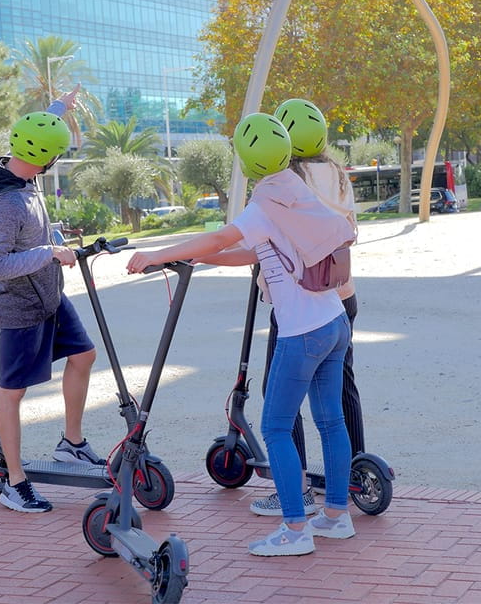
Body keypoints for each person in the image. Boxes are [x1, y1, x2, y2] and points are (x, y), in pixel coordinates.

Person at [126, 113, 355, 556]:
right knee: (331, 421)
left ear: (247, 162)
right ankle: (336, 516)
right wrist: (201, 259)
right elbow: (255, 251)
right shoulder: (295, 190)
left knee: (275, 428)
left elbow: (219, 238)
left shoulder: (264, 204)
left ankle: (295, 530)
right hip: (334, 321)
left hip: (301, 333)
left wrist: (157, 254)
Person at [0, 86, 104, 513]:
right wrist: (48, 252)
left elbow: (40, 131)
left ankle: (72, 444)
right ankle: (15, 482)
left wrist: (60, 106)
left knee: (83, 355)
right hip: (20, 307)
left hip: (49, 295)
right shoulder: (8, 203)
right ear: (47, 158)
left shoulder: (21, 169)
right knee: (13, 391)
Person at [249, 98, 366, 518]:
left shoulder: (286, 180)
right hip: (343, 294)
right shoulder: (337, 173)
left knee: (280, 396)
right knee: (340, 392)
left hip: (303, 299)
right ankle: (353, 477)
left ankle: (293, 489)